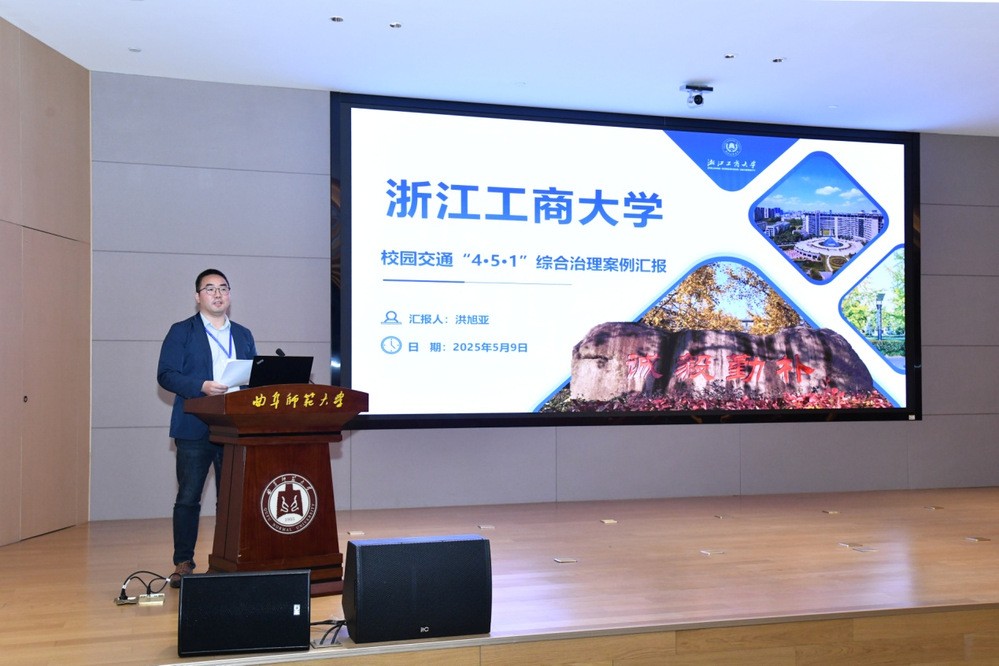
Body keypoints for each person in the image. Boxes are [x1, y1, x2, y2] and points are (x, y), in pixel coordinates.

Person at [157, 268, 256, 588]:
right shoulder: (181, 331)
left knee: (231, 499)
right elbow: (166, 374)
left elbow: (254, 377)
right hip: (195, 426)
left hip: (234, 428)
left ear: (230, 295)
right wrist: (201, 385)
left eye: (223, 288)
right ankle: (183, 562)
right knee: (188, 497)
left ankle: (229, 559)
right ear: (197, 296)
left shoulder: (243, 334)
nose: (217, 294)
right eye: (210, 288)